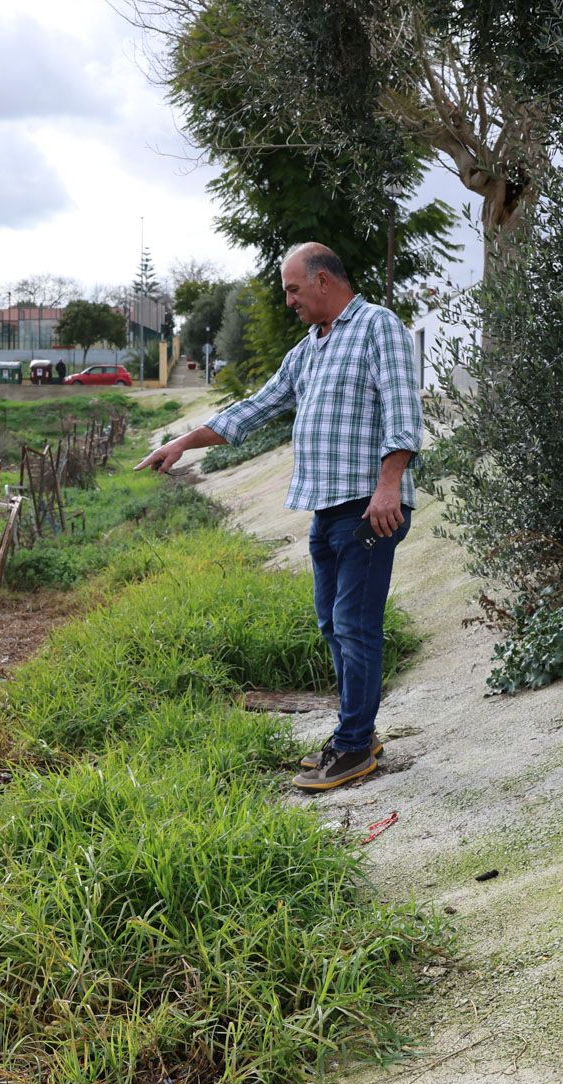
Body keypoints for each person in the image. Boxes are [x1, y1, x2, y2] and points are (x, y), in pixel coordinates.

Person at [138, 243, 421, 791]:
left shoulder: (376, 326)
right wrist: (183, 442)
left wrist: (390, 486)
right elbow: (254, 409)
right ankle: (356, 730)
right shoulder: (307, 350)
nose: (288, 300)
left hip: (369, 507)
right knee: (330, 625)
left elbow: (402, 408)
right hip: (326, 507)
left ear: (322, 281)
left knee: (354, 627)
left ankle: (355, 746)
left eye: (293, 289)